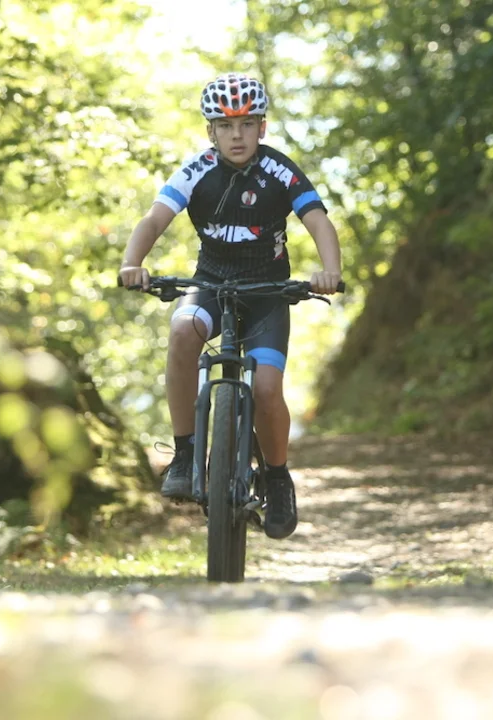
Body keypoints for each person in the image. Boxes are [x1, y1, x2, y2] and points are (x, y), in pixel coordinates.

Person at [118, 72, 342, 540]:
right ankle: (186, 453)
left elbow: (318, 220)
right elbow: (154, 219)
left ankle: (277, 478)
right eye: (225, 126)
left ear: (262, 127)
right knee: (182, 331)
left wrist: (330, 270)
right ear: (211, 132)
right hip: (211, 285)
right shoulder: (196, 170)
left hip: (267, 293)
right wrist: (132, 263)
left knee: (266, 389)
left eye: (246, 124)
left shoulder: (279, 169)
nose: (236, 135)